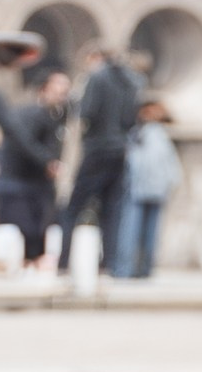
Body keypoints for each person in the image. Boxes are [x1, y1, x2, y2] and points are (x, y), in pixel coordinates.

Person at [60, 43, 142, 272]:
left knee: (73, 208)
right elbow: (132, 120)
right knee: (112, 211)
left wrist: (75, 101)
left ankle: (63, 262)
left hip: (97, 148)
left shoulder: (97, 78)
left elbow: (87, 112)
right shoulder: (133, 80)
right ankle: (109, 264)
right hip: (120, 150)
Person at [0, 71, 69, 264]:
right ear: (44, 89)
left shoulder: (56, 117)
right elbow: (24, 143)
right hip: (19, 184)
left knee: (38, 235)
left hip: (38, 185)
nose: (63, 93)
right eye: (58, 87)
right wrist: (48, 162)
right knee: (24, 234)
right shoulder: (31, 114)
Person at [114, 99, 182, 278]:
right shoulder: (138, 134)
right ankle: (128, 269)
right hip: (142, 189)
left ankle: (140, 269)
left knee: (144, 232)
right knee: (132, 231)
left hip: (150, 188)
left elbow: (170, 165)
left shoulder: (155, 134)